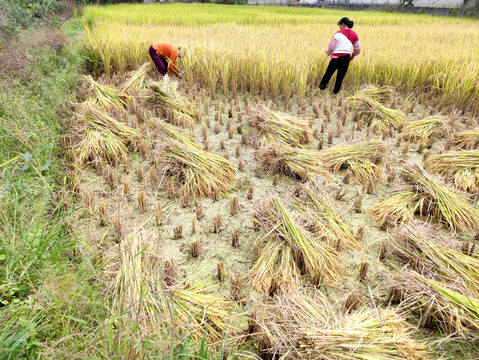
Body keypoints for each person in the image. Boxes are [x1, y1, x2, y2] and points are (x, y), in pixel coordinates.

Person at [319, 17, 360, 94]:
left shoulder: (338, 34)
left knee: (328, 73)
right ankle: (335, 93)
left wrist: (328, 52)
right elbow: (358, 49)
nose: (339, 28)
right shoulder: (354, 34)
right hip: (346, 58)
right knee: (340, 76)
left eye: (340, 25)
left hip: (336, 57)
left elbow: (331, 46)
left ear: (343, 24)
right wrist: (352, 56)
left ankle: (321, 89)